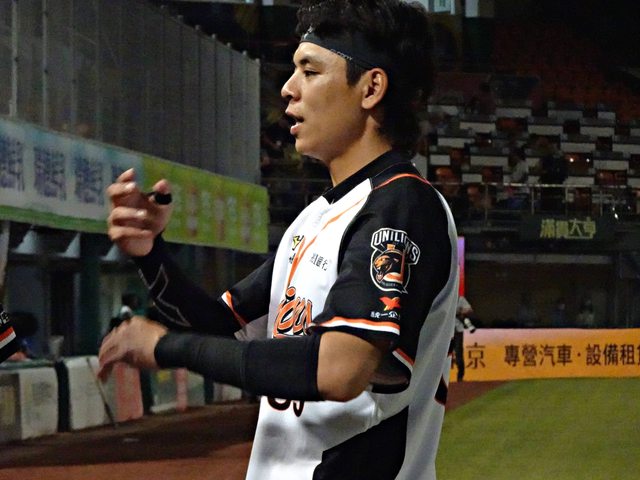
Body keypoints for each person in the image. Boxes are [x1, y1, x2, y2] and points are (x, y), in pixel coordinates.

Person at [99, 1, 459, 478]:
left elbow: (339, 369)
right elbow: (221, 325)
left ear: (371, 88)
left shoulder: (402, 205)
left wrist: (166, 347)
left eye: (310, 71)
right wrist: (151, 256)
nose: (288, 89)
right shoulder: (319, 215)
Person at [453, 295, 476, 382]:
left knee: (459, 354)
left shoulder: (460, 299)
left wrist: (460, 312)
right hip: (447, 331)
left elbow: (469, 310)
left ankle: (460, 377)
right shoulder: (445, 299)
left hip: (458, 330)